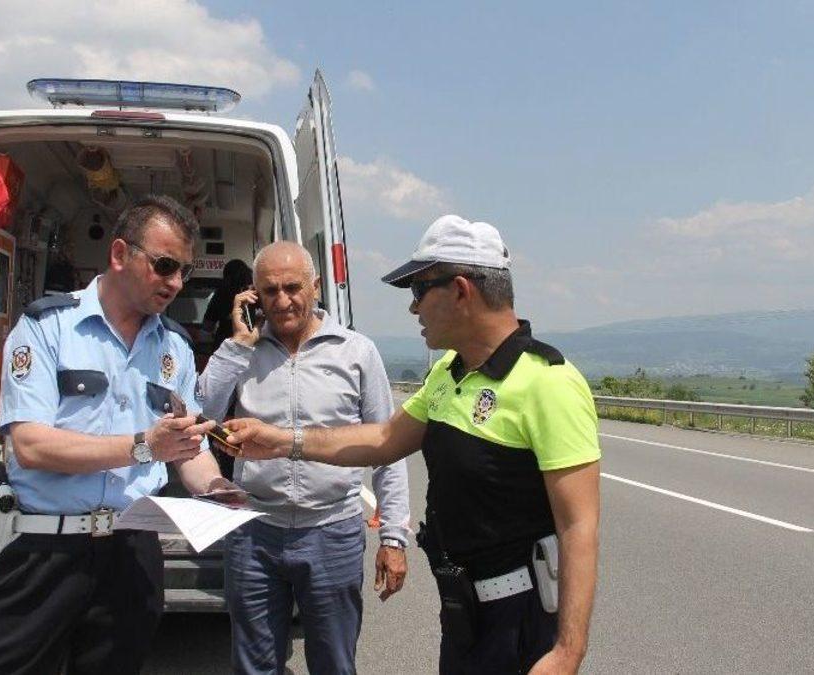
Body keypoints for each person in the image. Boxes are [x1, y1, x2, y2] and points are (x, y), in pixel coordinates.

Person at [223, 216, 601, 675]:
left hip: (518, 617)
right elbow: (384, 439)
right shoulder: (448, 373)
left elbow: (578, 526)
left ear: (460, 290)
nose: (413, 308)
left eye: (419, 291)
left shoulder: (550, 383)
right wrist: (282, 441)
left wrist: (567, 652)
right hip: (463, 612)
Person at [0, 195, 234, 675]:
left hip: (132, 554)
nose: (175, 283)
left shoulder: (175, 347)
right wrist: (142, 446)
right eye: (165, 265)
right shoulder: (46, 327)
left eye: (184, 272)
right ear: (120, 254)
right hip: (44, 549)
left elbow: (188, 448)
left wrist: (215, 487)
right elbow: (30, 445)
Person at [198, 241, 412, 674]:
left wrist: (393, 537)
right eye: (269, 291)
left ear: (315, 286)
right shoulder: (243, 351)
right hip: (254, 533)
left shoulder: (356, 352)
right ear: (254, 295)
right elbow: (202, 412)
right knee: (254, 666)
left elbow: (388, 447)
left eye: (292, 287)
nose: (282, 301)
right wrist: (237, 344)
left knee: (334, 663)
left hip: (332, 531)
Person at [202, 257, 254, 345]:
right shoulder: (254, 294)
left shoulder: (220, 295)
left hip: (225, 343)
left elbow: (208, 326)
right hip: (251, 343)